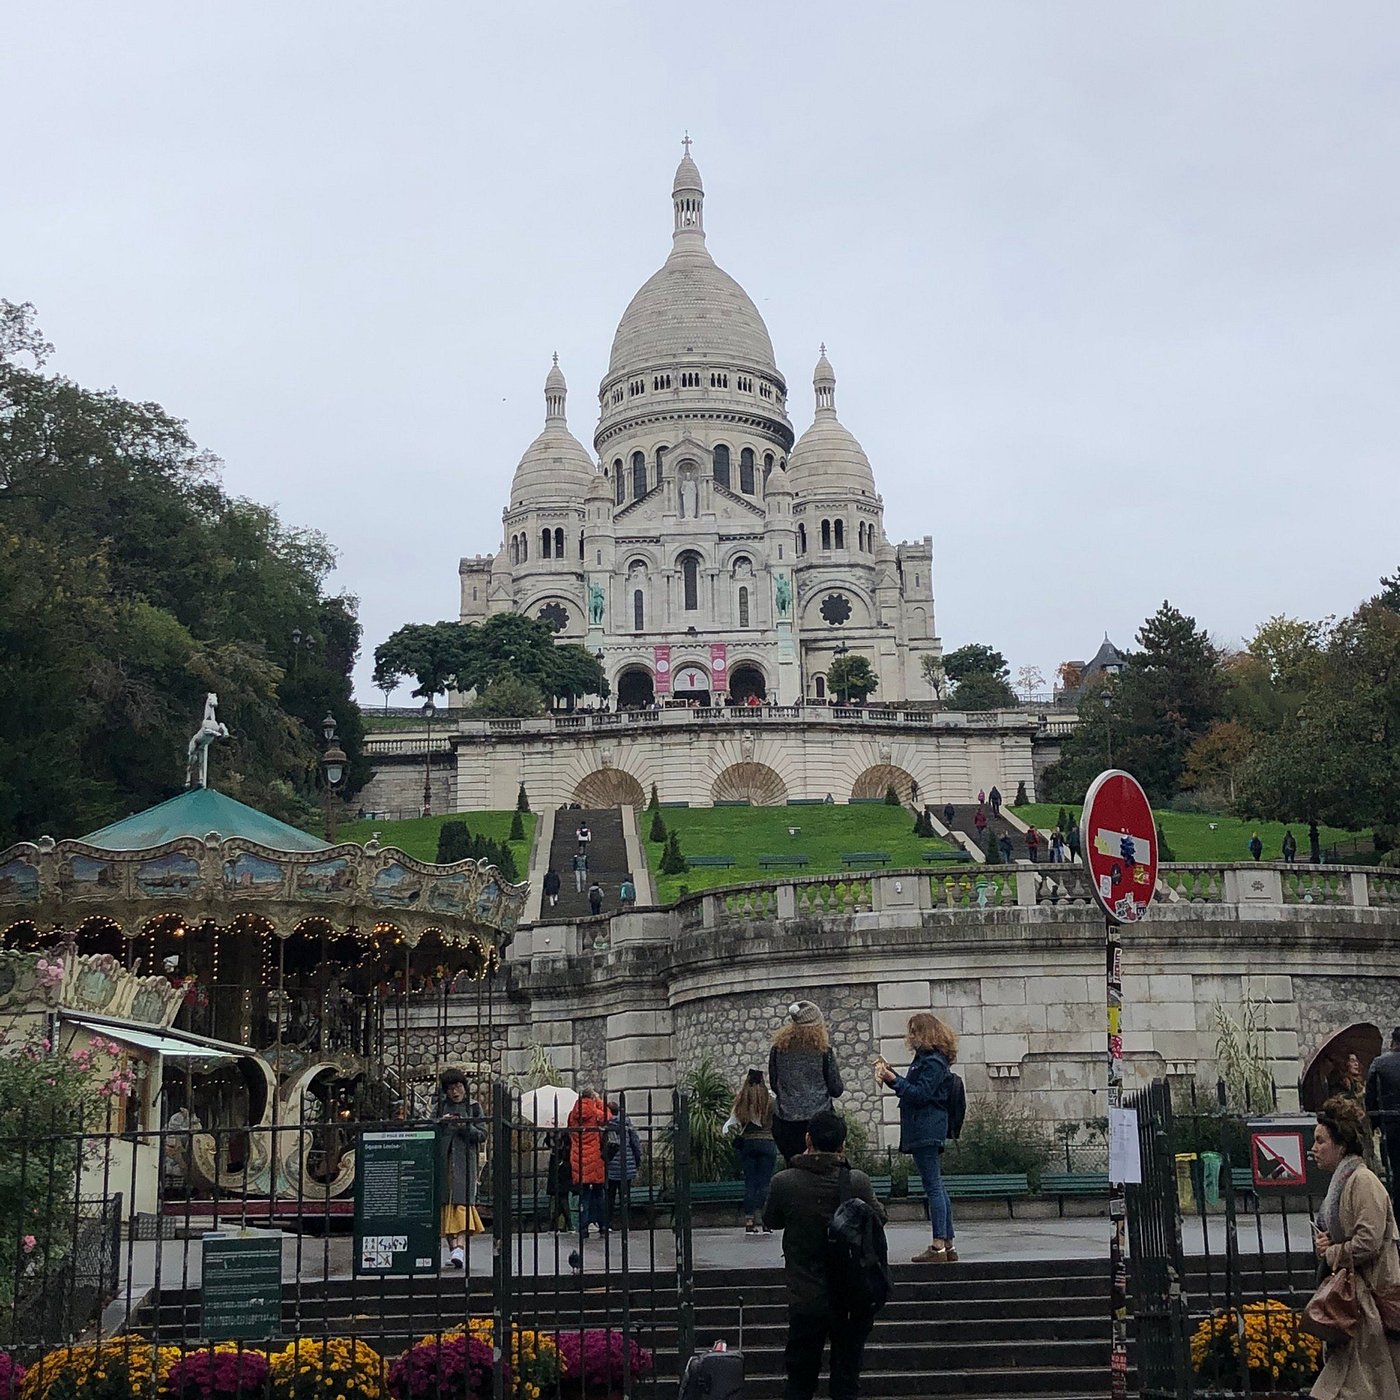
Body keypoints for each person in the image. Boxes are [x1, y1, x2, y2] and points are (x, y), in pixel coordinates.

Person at [762, 1110, 883, 1400]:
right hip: (851, 1298)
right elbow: (880, 1219)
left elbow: (772, 1219)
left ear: (807, 1139)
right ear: (842, 1145)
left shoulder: (784, 1182)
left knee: (799, 1383)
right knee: (846, 1381)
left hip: (806, 1297)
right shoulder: (858, 1182)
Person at [1309, 1095, 1400, 1400]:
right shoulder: (1343, 1182)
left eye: (1321, 1141)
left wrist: (1331, 1251)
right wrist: (1329, 1244)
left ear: (1341, 1144)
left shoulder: (1363, 1181)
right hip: (1353, 1307)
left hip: (1370, 1304)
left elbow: (1368, 1242)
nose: (1314, 1149)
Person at [877, 1012, 959, 1263]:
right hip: (925, 1126)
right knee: (936, 1184)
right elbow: (914, 1089)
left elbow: (920, 1094)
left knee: (933, 1185)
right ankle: (947, 1243)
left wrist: (893, 1080)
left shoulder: (932, 1062)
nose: (909, 1037)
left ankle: (938, 1245)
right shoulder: (927, 1060)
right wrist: (894, 1078)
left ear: (925, 1034)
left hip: (926, 1126)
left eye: (914, 1031)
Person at [769, 1001, 845, 1165]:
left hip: (785, 1122)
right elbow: (836, 1089)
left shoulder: (777, 1049)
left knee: (793, 1169)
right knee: (823, 1167)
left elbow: (775, 1085)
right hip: (818, 1122)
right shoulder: (824, 1051)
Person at [436, 1069, 486, 1268]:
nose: (455, 1092)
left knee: (463, 1203)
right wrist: (442, 1123)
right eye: (450, 1089)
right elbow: (430, 1129)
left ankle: (461, 1248)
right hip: (445, 1161)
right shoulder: (440, 1107)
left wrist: (464, 1126)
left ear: (464, 1087)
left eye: (458, 1087)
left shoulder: (474, 1107)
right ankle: (454, 1250)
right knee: (446, 1205)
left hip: (465, 1162)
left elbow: (482, 1134)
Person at [725, 1068, 778, 1233]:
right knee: (765, 1183)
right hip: (767, 1142)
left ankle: (749, 1219)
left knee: (750, 1183)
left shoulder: (742, 1101)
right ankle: (765, 1219)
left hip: (748, 1143)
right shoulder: (771, 1101)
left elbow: (733, 1122)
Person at [567, 1088, 610, 1238]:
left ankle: (583, 1228)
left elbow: (570, 1130)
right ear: (591, 1098)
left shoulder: (573, 1114)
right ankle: (603, 1225)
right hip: (594, 1158)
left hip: (578, 1158)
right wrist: (598, 1101)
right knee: (599, 1195)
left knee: (584, 1196)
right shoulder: (595, 1112)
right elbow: (608, 1117)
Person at [1367, 1029, 1400, 1194]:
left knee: (1395, 1170)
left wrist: (1373, 1124)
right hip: (1391, 1119)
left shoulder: (1379, 1064)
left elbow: (1370, 1098)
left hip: (1391, 1123)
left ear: (1393, 1042)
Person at [604, 1099, 643, 1227]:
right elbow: (635, 1143)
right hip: (627, 1164)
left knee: (609, 1198)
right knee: (625, 1197)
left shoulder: (606, 1124)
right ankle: (625, 1223)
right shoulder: (627, 1123)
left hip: (610, 1166)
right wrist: (637, 1160)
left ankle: (607, 1224)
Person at [546, 1128, 573, 1232]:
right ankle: (560, 1224)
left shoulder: (563, 1134)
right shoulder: (556, 1133)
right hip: (560, 1163)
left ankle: (560, 1224)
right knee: (560, 1196)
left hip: (562, 1164)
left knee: (561, 1195)